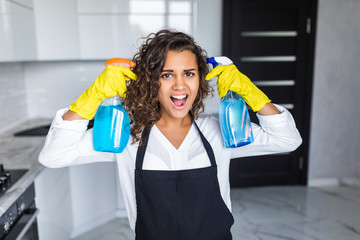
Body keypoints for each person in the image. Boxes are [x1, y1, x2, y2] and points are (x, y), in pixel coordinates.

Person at [39, 29, 302, 240]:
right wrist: (91, 98)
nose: (180, 84)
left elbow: (287, 140)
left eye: (189, 73)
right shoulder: (126, 138)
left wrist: (253, 95)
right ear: (151, 84)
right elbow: (54, 156)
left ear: (200, 80)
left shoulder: (219, 132)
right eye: (167, 75)